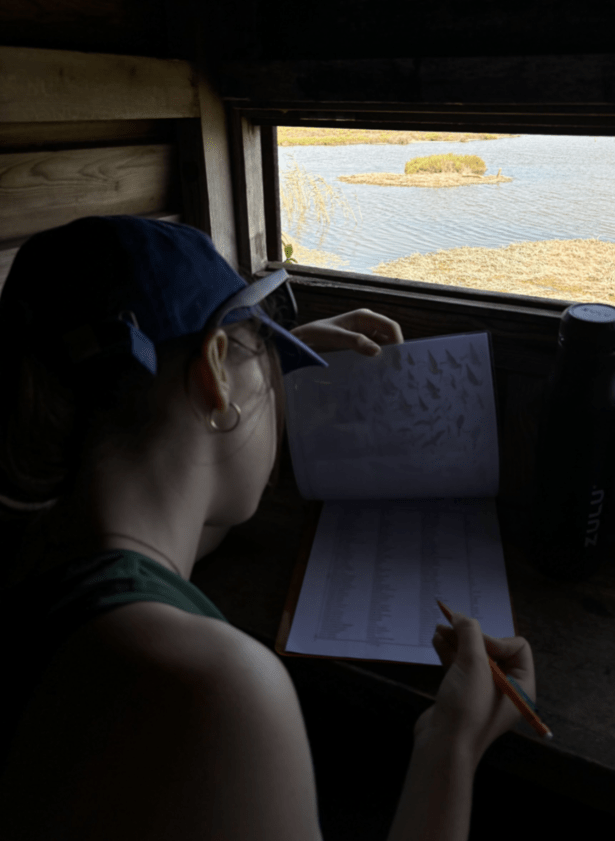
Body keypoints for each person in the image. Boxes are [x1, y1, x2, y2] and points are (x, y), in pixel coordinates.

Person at [0, 215, 536, 841]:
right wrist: (452, 741)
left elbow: (177, 492)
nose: (279, 389)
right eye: (266, 350)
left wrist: (253, 365)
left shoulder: (38, 540)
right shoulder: (214, 693)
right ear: (215, 370)